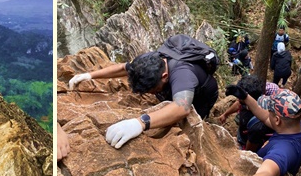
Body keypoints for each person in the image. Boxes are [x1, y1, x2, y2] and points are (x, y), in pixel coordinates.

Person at [68, 36, 219, 150]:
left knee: (191, 122)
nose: (151, 94)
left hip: (203, 94)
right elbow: (124, 68)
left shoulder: (182, 73)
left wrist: (140, 123)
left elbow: (182, 107)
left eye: (154, 90)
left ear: (164, 77)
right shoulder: (151, 61)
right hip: (178, 86)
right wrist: (90, 75)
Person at [208, 88, 301, 176]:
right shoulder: (296, 127)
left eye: (270, 110)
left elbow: (265, 173)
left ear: (277, 120)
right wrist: (246, 97)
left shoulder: (284, 150)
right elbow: (266, 117)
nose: (267, 112)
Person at [218, 76, 277, 152]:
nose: (238, 99)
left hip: (249, 143)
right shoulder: (251, 100)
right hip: (243, 133)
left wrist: (244, 152)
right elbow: (238, 104)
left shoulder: (257, 125)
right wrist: (225, 114)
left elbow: (251, 146)